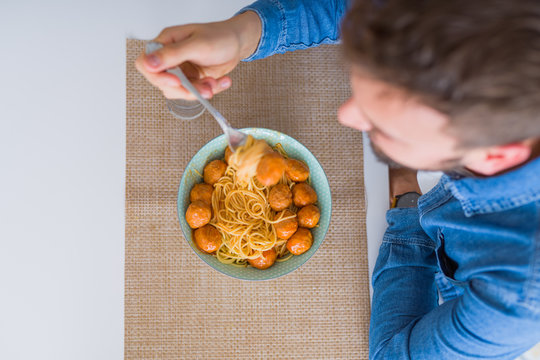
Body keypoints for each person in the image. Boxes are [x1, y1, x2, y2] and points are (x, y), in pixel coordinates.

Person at [135, 0, 540, 358]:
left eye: (386, 126)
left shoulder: (517, 297)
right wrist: (243, 34)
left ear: (496, 154)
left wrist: (406, 215)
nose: (346, 116)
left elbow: (395, 355)